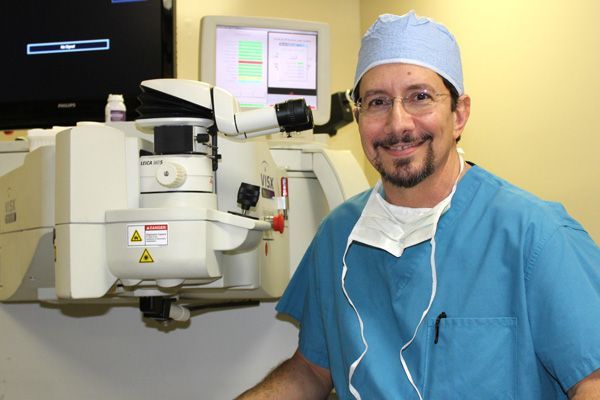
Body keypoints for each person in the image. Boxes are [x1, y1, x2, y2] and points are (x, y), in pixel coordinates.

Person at [237, 11, 600, 399]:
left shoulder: (536, 236)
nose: (398, 123)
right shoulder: (338, 236)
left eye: (420, 97)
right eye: (377, 102)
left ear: (459, 114)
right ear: (359, 117)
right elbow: (310, 371)